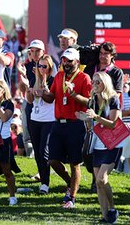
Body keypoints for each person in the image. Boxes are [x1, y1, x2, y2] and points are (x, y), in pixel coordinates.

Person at [41, 48, 92, 209]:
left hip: (76, 124)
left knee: (74, 163)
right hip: (58, 123)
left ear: (77, 61)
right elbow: (51, 98)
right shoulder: (59, 76)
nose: (66, 63)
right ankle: (70, 183)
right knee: (52, 160)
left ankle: (72, 197)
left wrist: (74, 94)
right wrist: (42, 91)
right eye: (64, 60)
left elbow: (90, 102)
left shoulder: (84, 78)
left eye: (70, 61)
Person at [77, 71, 123, 224]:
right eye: (94, 82)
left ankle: (112, 208)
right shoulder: (92, 101)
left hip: (112, 143)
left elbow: (113, 124)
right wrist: (86, 119)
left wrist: (95, 117)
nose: (95, 85)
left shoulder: (113, 99)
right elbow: (91, 126)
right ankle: (105, 217)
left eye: (98, 82)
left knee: (102, 179)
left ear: (105, 83)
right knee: (98, 182)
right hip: (97, 144)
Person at [24, 54, 55, 194]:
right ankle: (42, 178)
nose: (41, 69)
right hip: (35, 118)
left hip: (48, 120)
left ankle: (45, 183)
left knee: (44, 150)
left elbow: (51, 99)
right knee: (37, 151)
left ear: (49, 67)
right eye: (39, 66)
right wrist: (29, 91)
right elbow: (30, 100)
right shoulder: (33, 79)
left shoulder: (53, 80)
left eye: (44, 66)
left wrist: (43, 92)